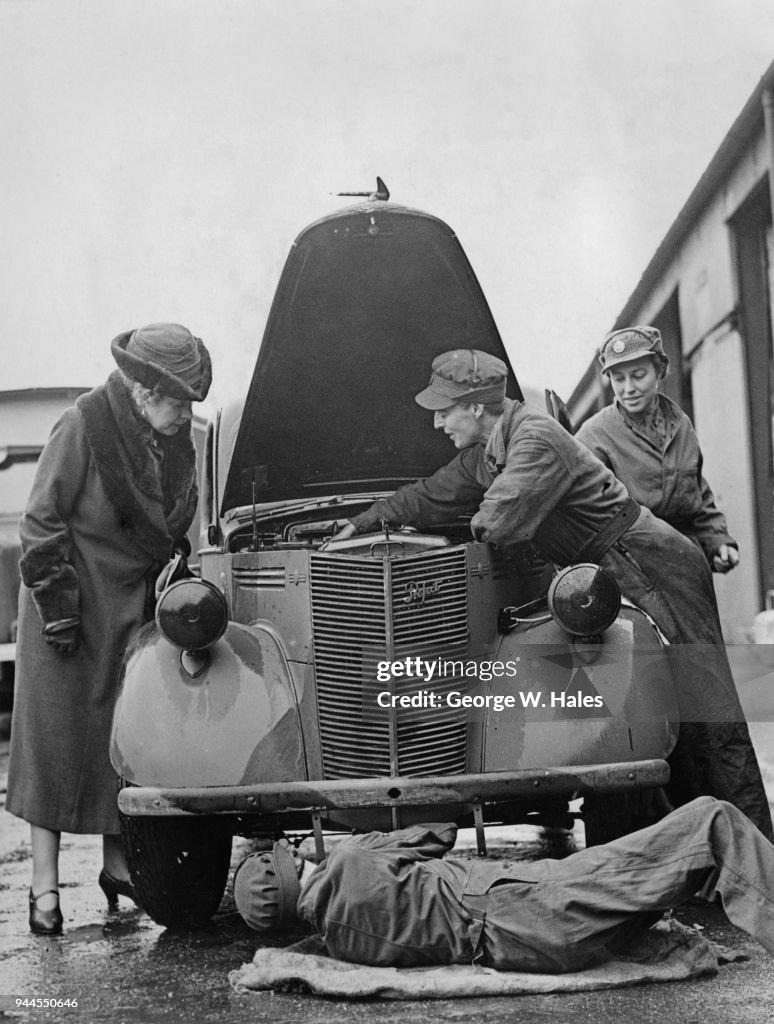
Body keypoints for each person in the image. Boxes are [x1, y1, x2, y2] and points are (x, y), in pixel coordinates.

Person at [331, 349, 772, 840]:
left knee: (706, 712)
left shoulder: (535, 439)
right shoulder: (490, 452)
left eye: (444, 410)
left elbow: (495, 524)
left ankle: (754, 850)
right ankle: (681, 848)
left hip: (652, 565)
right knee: (646, 711)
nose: (437, 423)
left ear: (476, 407)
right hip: (606, 569)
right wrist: (363, 523)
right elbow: (429, 494)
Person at [6, 323, 212, 935]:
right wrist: (58, 605)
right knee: (54, 746)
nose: (186, 413)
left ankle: (118, 867)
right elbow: (40, 520)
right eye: (179, 401)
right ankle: (44, 890)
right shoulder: (82, 425)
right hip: (67, 609)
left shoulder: (175, 442)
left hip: (128, 613)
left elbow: (173, 532)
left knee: (119, 746)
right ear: (145, 392)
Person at [233, 797, 774, 970]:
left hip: (535, 948)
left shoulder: (340, 942)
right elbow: (438, 834)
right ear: (293, 865)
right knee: (712, 821)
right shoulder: (350, 861)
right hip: (533, 899)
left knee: (672, 869)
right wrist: (353, 843)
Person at [575, 326, 738, 573]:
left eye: (638, 375)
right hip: (634, 573)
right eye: (618, 379)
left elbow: (698, 496)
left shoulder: (680, 424)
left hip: (689, 565)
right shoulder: (594, 435)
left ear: (659, 370)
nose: (628, 388)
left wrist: (718, 543)